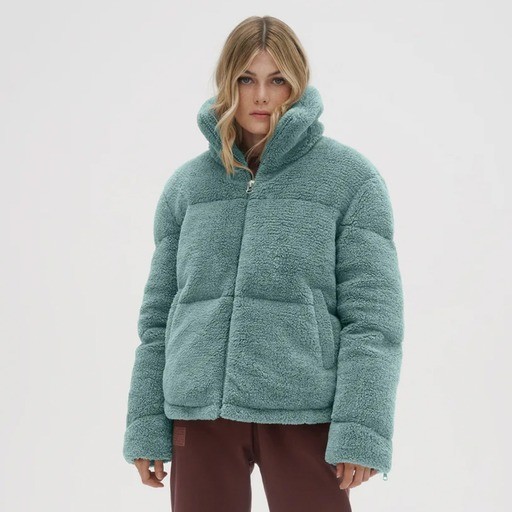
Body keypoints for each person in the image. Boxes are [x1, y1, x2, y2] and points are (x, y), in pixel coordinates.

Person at [123, 15, 404, 512]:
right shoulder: (187, 187)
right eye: (246, 79)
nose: (260, 96)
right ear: (226, 83)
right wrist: (146, 423)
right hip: (200, 412)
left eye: (277, 80)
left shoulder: (350, 180)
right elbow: (158, 318)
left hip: (303, 411)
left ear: (297, 84)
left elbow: (373, 321)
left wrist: (361, 429)